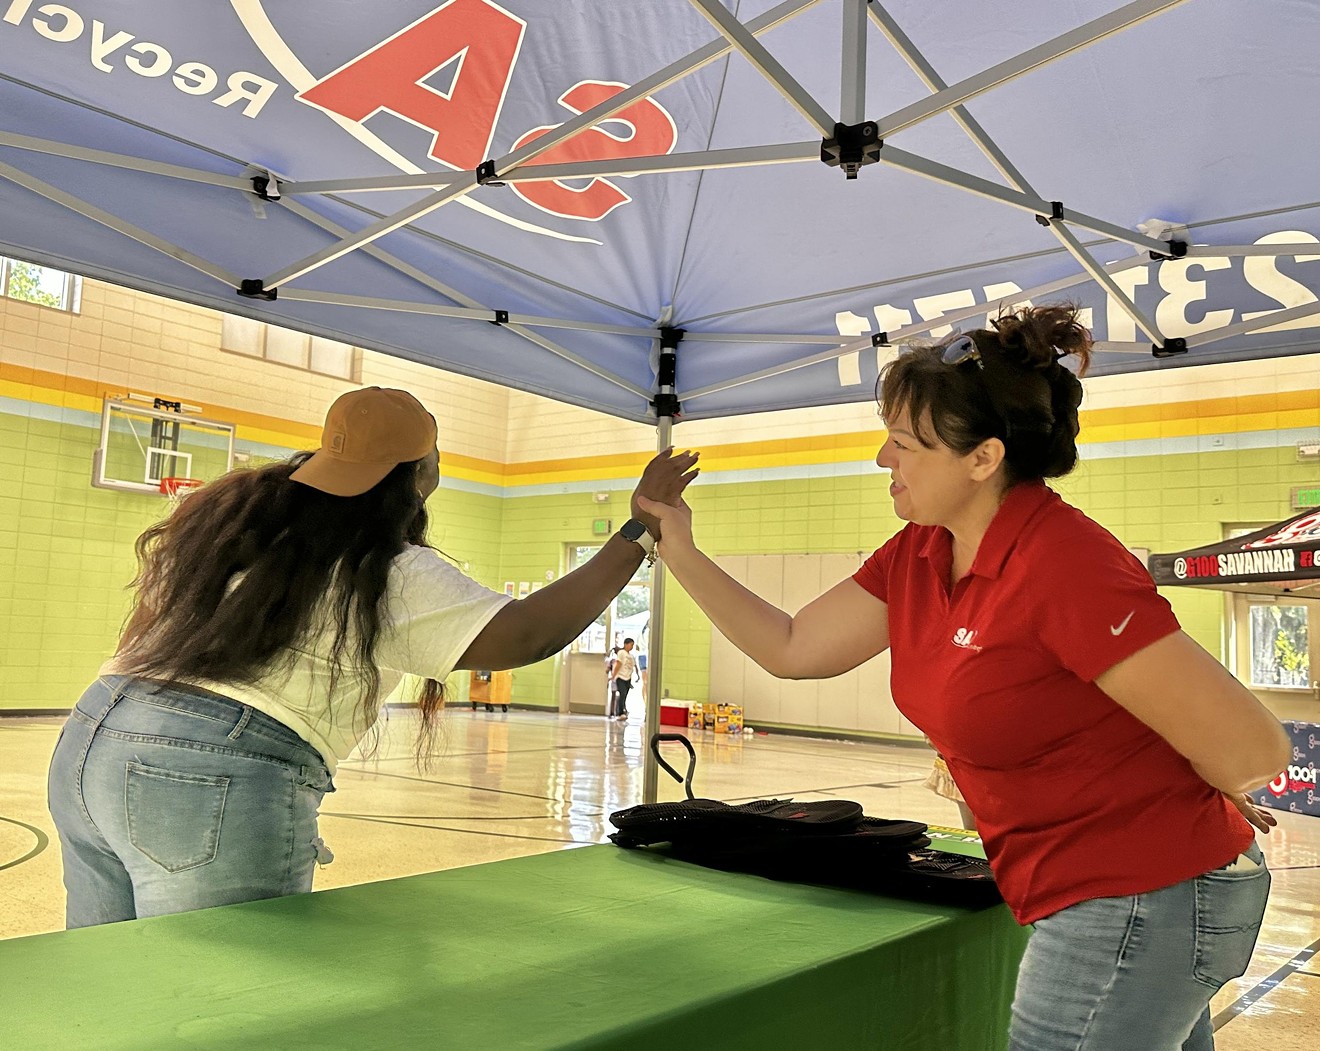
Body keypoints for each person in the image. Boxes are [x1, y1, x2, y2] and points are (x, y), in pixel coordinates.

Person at [638, 306, 1289, 1051]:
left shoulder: (1062, 563)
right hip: (1103, 888)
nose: (884, 459)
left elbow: (1254, 750)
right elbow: (793, 645)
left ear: (983, 458)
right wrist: (678, 545)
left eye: (905, 443)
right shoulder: (919, 550)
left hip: (1141, 890)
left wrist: (1194, 774)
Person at [47, 386, 698, 929]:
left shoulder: (230, 528)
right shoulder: (381, 566)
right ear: (420, 475)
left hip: (92, 738)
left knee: (112, 979)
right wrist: (640, 526)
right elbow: (528, 633)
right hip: (208, 771)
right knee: (220, 998)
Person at [608, 637, 638, 721]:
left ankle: (623, 710)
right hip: (621, 677)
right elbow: (618, 664)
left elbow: (633, 666)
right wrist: (614, 675)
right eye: (630, 645)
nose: (631, 647)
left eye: (633, 645)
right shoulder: (621, 653)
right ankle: (620, 712)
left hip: (628, 678)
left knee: (625, 696)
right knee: (622, 694)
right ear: (625, 644)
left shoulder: (631, 656)